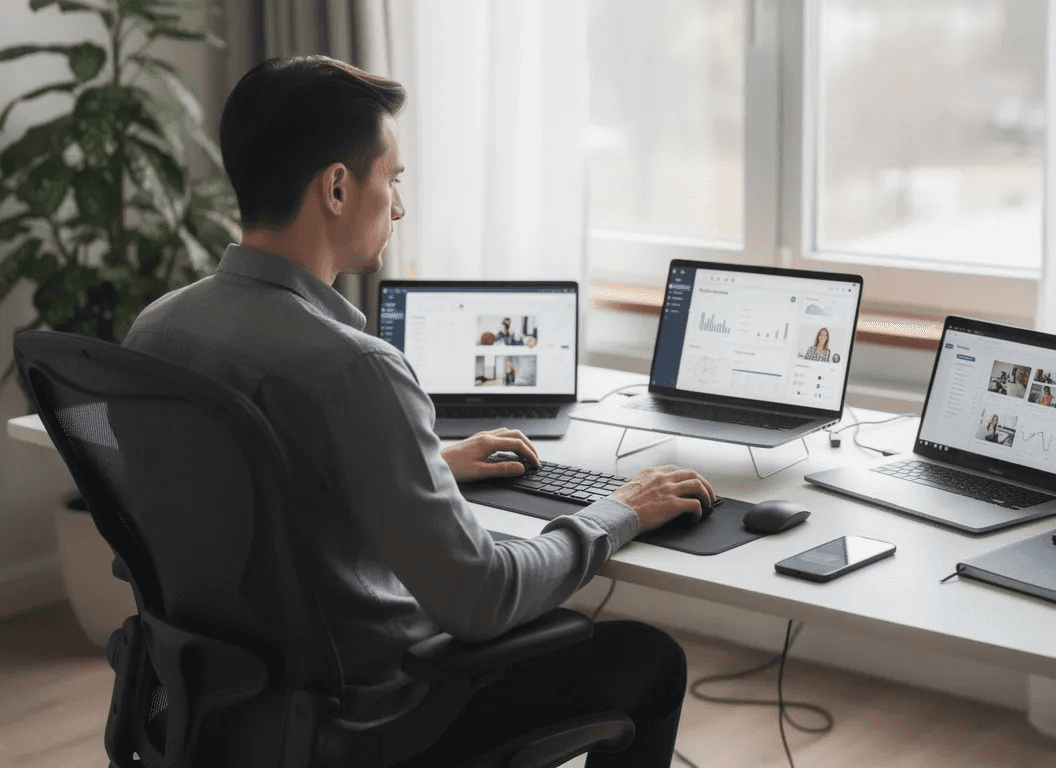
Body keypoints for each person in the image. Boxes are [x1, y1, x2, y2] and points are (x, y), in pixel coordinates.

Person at [123, 56, 707, 767]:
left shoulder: (155, 331)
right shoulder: (355, 368)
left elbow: (236, 503)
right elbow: (482, 598)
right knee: (647, 659)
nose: (398, 207)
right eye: (392, 179)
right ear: (338, 188)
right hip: (375, 721)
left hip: (223, 714)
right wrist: (620, 510)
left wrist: (424, 463)